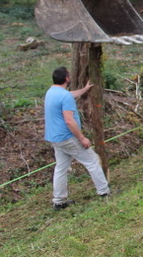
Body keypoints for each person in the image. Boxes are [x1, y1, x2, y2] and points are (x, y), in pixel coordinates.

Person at [44, 66, 110, 210]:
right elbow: (69, 120)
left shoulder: (51, 92)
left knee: (61, 168)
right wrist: (81, 138)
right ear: (67, 78)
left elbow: (70, 94)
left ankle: (59, 201)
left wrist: (85, 89)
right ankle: (104, 192)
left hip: (55, 138)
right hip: (68, 137)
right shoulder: (64, 96)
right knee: (92, 160)